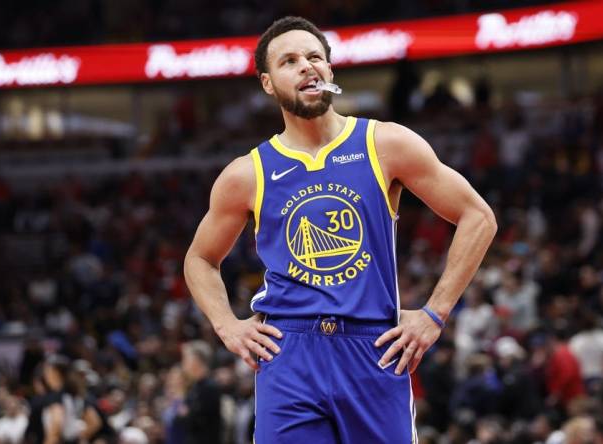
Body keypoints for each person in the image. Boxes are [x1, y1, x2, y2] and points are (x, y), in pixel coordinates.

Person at [183, 16, 497, 443]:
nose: (306, 66)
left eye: (315, 57)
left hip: (373, 347)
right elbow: (200, 259)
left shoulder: (385, 144)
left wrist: (434, 314)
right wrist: (227, 325)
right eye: (289, 61)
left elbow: (478, 217)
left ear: (330, 71)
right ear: (268, 84)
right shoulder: (247, 174)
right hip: (289, 351)